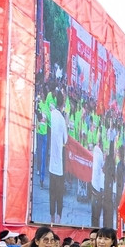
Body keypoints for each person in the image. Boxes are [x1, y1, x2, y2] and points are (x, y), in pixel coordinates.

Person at [48, 91, 69, 225]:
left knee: (52, 194)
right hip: (59, 165)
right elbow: (65, 140)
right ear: (63, 103)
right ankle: (58, 219)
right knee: (59, 194)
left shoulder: (52, 114)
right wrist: (66, 122)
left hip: (52, 164)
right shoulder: (61, 119)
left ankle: (51, 218)